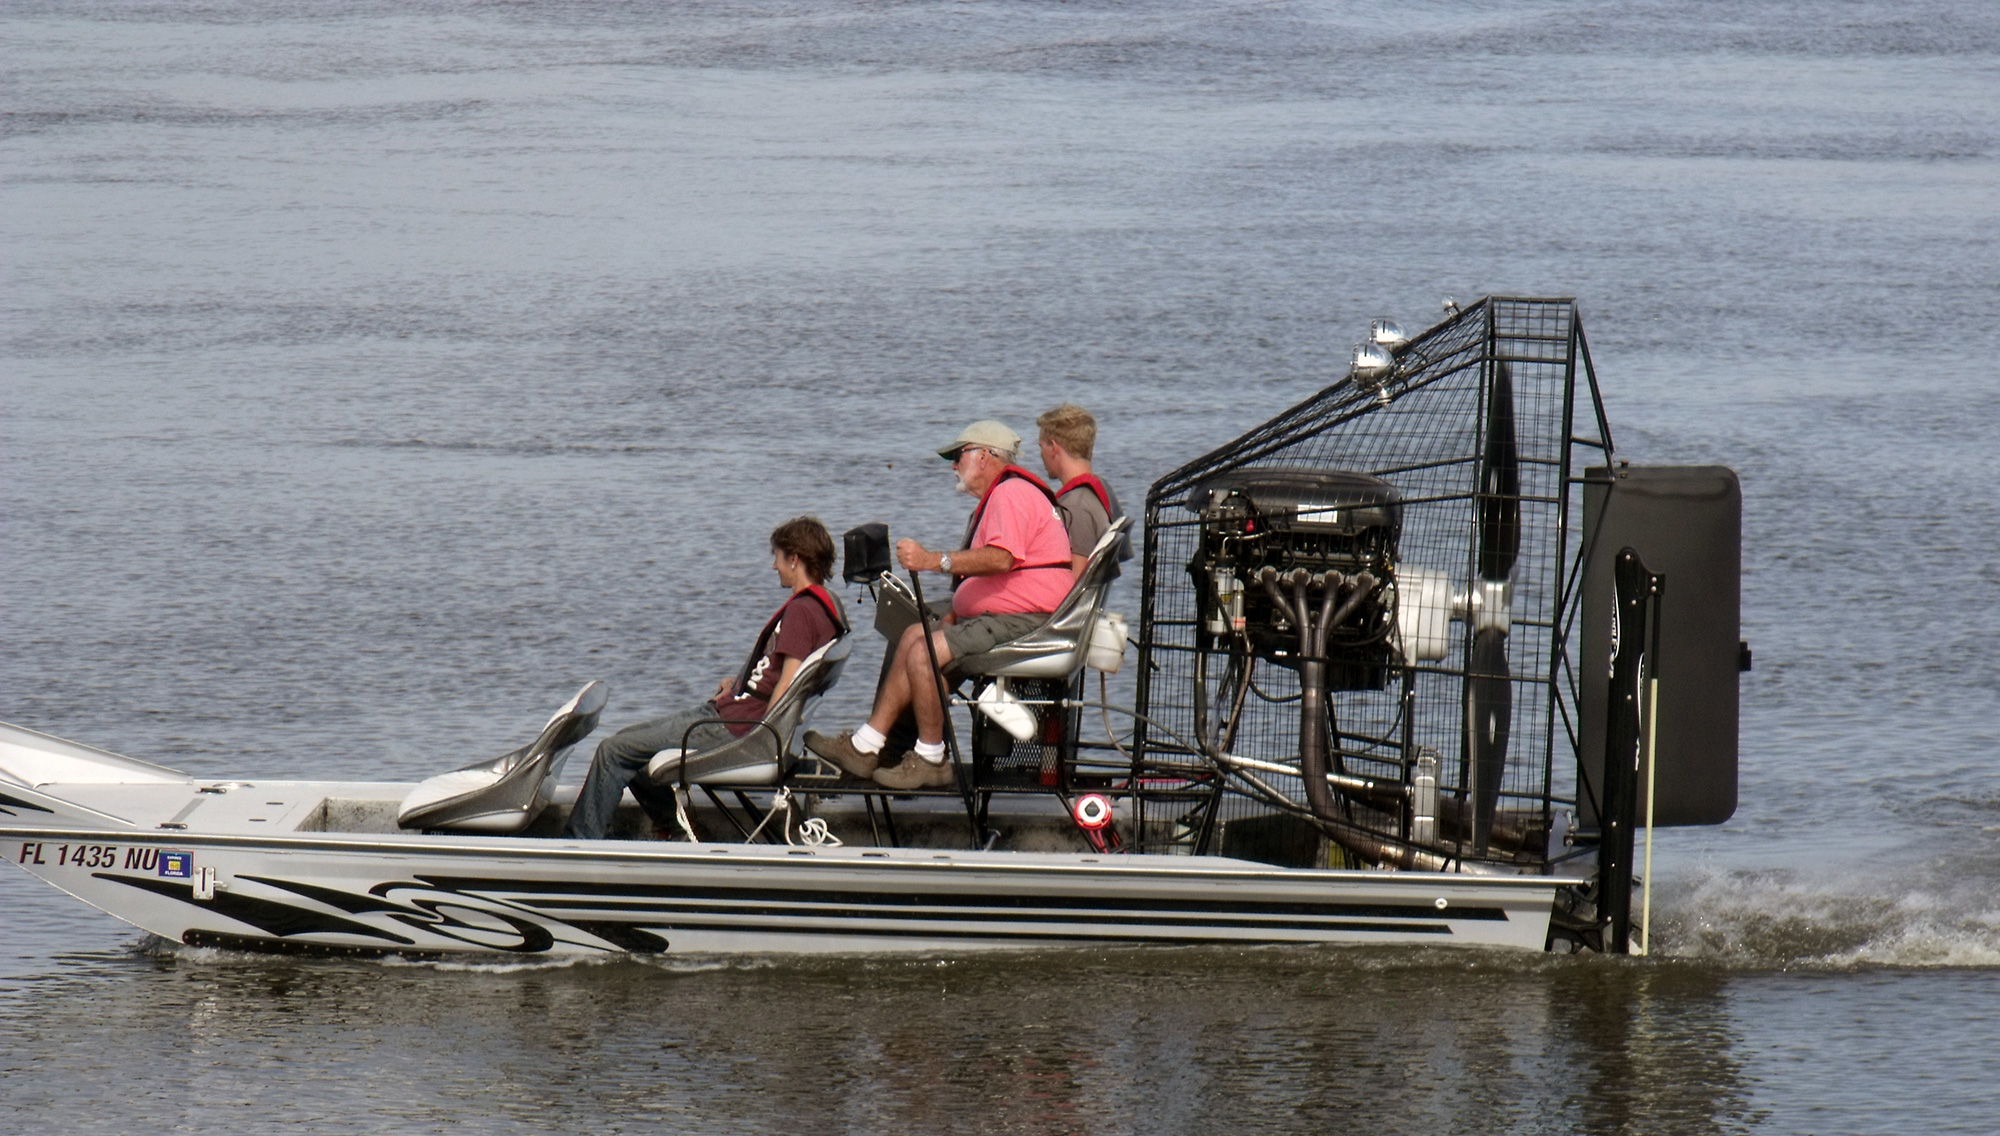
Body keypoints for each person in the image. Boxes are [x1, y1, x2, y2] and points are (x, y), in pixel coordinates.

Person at [806, 420, 1075, 790]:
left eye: (958, 455)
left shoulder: (1011, 494)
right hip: (1012, 614)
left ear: (984, 457)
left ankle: (932, 758)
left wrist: (934, 560)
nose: (953, 465)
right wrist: (957, 610)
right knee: (915, 633)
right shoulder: (1008, 493)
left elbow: (1001, 559)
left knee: (925, 653)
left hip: (1028, 620)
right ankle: (865, 745)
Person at [564, 517, 846, 840]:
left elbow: (787, 685)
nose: (774, 566)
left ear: (795, 559)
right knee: (633, 748)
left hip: (733, 729)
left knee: (613, 750)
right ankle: (679, 828)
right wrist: (739, 686)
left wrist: (758, 738)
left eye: (778, 557)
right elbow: (781, 679)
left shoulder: (801, 612)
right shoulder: (828, 608)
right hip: (737, 714)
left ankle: (579, 843)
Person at [1034, 403, 1133, 571]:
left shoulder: (1074, 506)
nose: (1040, 454)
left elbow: (1075, 583)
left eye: (1041, 447)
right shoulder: (1101, 490)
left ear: (1054, 448)